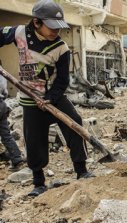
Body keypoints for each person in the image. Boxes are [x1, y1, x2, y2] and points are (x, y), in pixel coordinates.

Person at [0, 0, 94, 197]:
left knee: (75, 124)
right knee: (34, 140)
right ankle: (39, 182)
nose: (55, 32)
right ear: (36, 23)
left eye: (58, 28)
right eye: (51, 27)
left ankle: (81, 171)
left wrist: (51, 98)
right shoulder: (19, 34)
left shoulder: (61, 48)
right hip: (29, 99)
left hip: (54, 97)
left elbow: (62, 79)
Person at [0, 75, 24, 170]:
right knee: (6, 135)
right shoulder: (1, 72)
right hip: (1, 104)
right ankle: (17, 159)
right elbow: (5, 92)